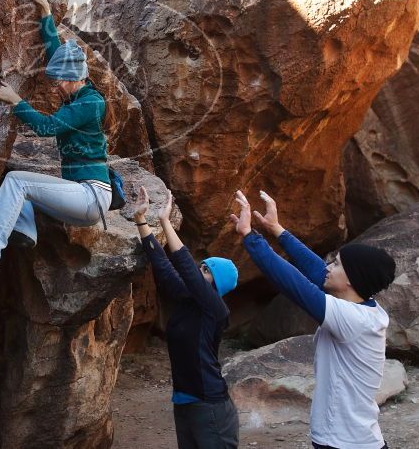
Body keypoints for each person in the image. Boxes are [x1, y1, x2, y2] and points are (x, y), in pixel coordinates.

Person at [0, 0, 117, 276]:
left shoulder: (90, 104)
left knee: (17, 181)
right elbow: (57, 55)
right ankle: (25, 231)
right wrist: (46, 11)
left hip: (91, 198)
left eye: (63, 80)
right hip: (84, 197)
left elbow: (46, 127)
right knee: (15, 180)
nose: (58, 85)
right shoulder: (78, 90)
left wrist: (16, 100)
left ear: (77, 78)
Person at [229, 189, 396, 449]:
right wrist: (277, 230)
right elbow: (317, 271)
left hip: (347, 444)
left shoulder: (354, 319)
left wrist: (250, 236)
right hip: (340, 439)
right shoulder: (360, 307)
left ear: (353, 278)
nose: (328, 267)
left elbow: (294, 284)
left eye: (337, 264)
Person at [133, 185, 240, 449]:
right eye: (202, 266)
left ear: (215, 284)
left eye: (206, 270)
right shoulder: (186, 298)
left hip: (210, 407)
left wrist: (165, 221)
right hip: (184, 402)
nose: (199, 271)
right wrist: (141, 221)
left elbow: (184, 265)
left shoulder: (216, 310)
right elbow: (163, 264)